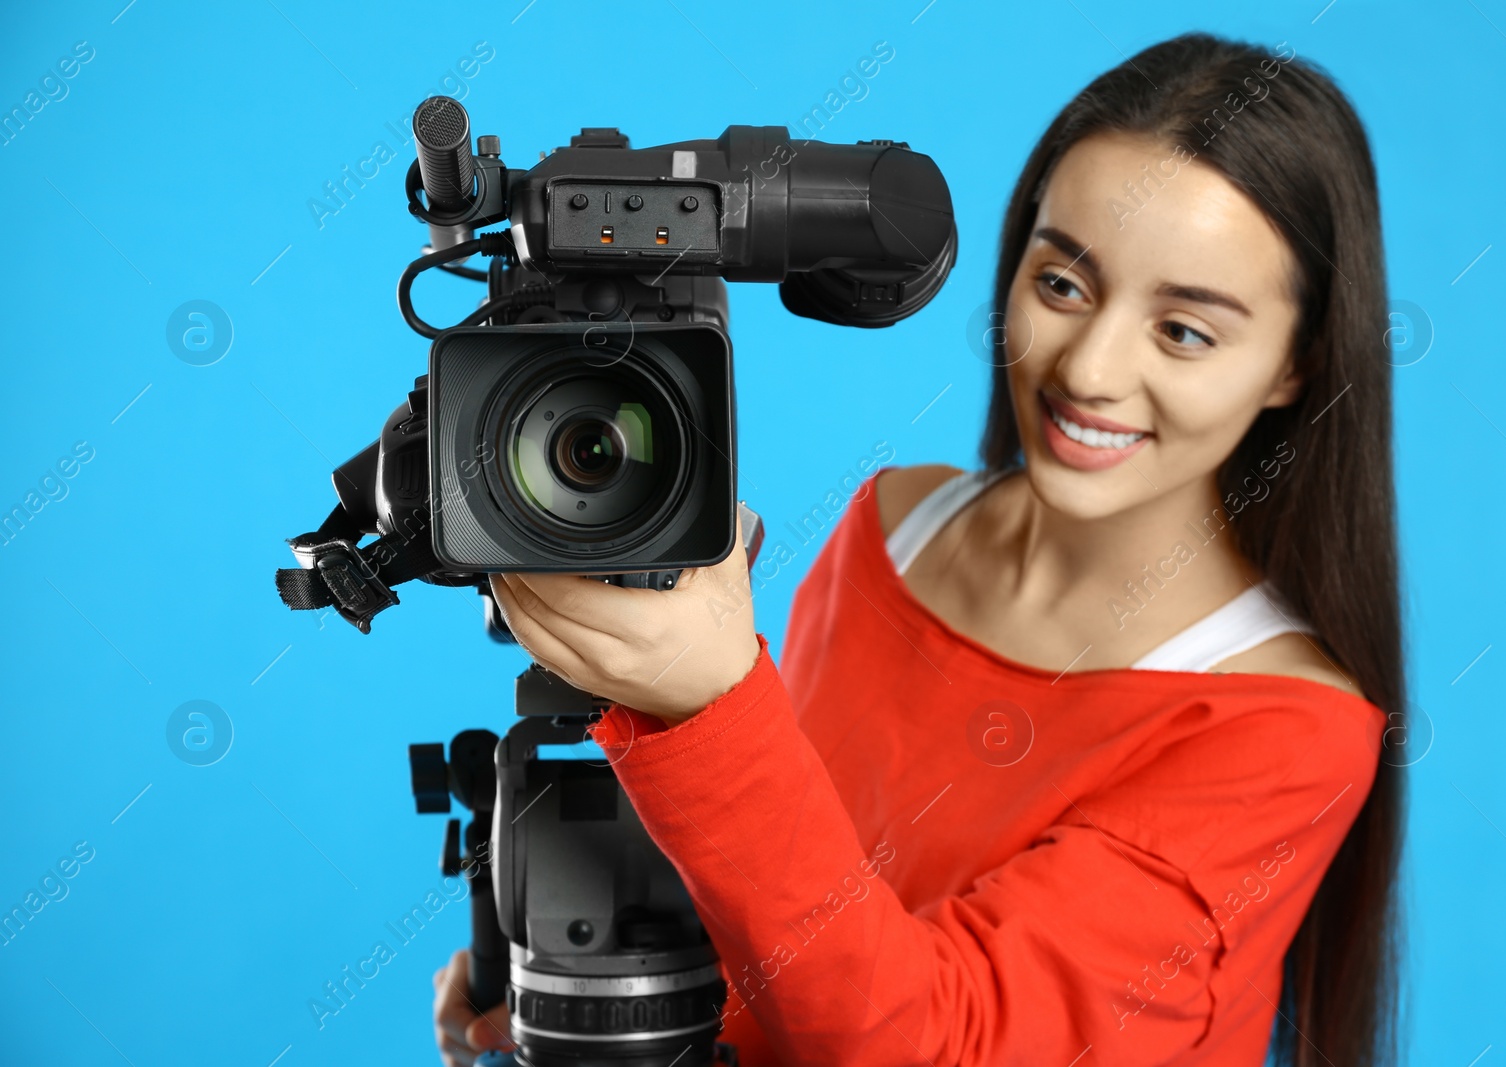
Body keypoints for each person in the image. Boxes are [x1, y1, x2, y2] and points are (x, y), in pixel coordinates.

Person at [437, 31, 1404, 1067]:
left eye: (1184, 331)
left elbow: (936, 1042)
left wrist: (710, 702)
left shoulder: (1284, 731)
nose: (1090, 367)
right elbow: (779, 898)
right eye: (1063, 284)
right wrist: (572, 975)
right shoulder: (895, 526)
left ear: (1295, 364)